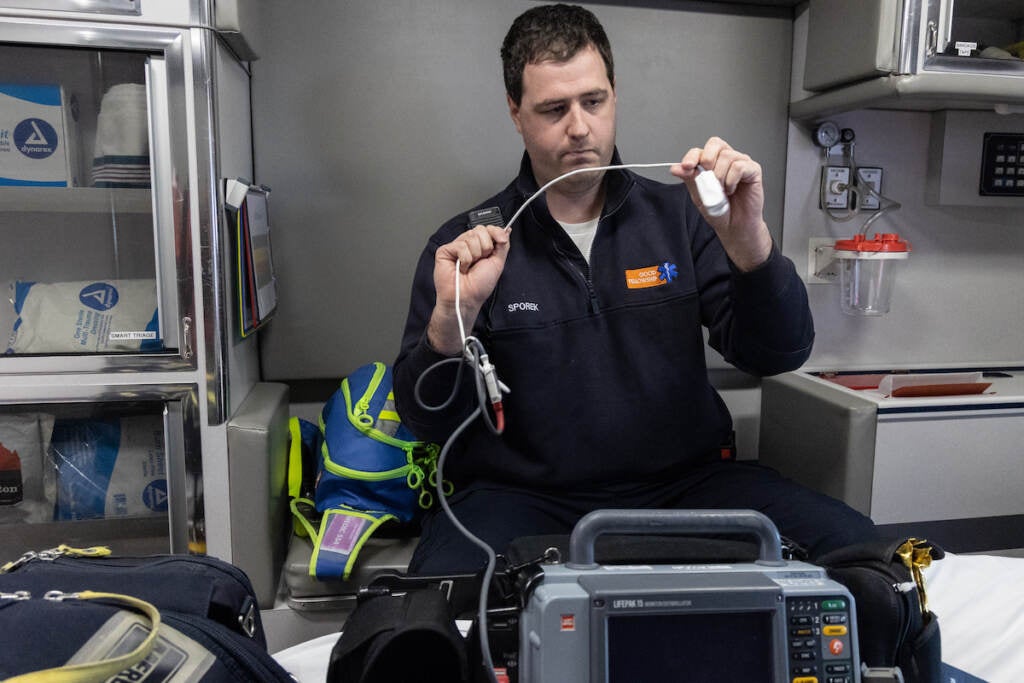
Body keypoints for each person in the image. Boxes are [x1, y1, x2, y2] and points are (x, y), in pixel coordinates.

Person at [393, 3, 878, 575]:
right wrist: (455, 320)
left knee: (864, 554)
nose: (579, 127)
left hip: (687, 487)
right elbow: (425, 421)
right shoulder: (468, 245)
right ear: (515, 113)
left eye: (593, 101)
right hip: (522, 501)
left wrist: (750, 243)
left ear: (614, 96)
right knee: (434, 605)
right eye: (553, 108)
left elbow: (778, 353)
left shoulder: (683, 217)